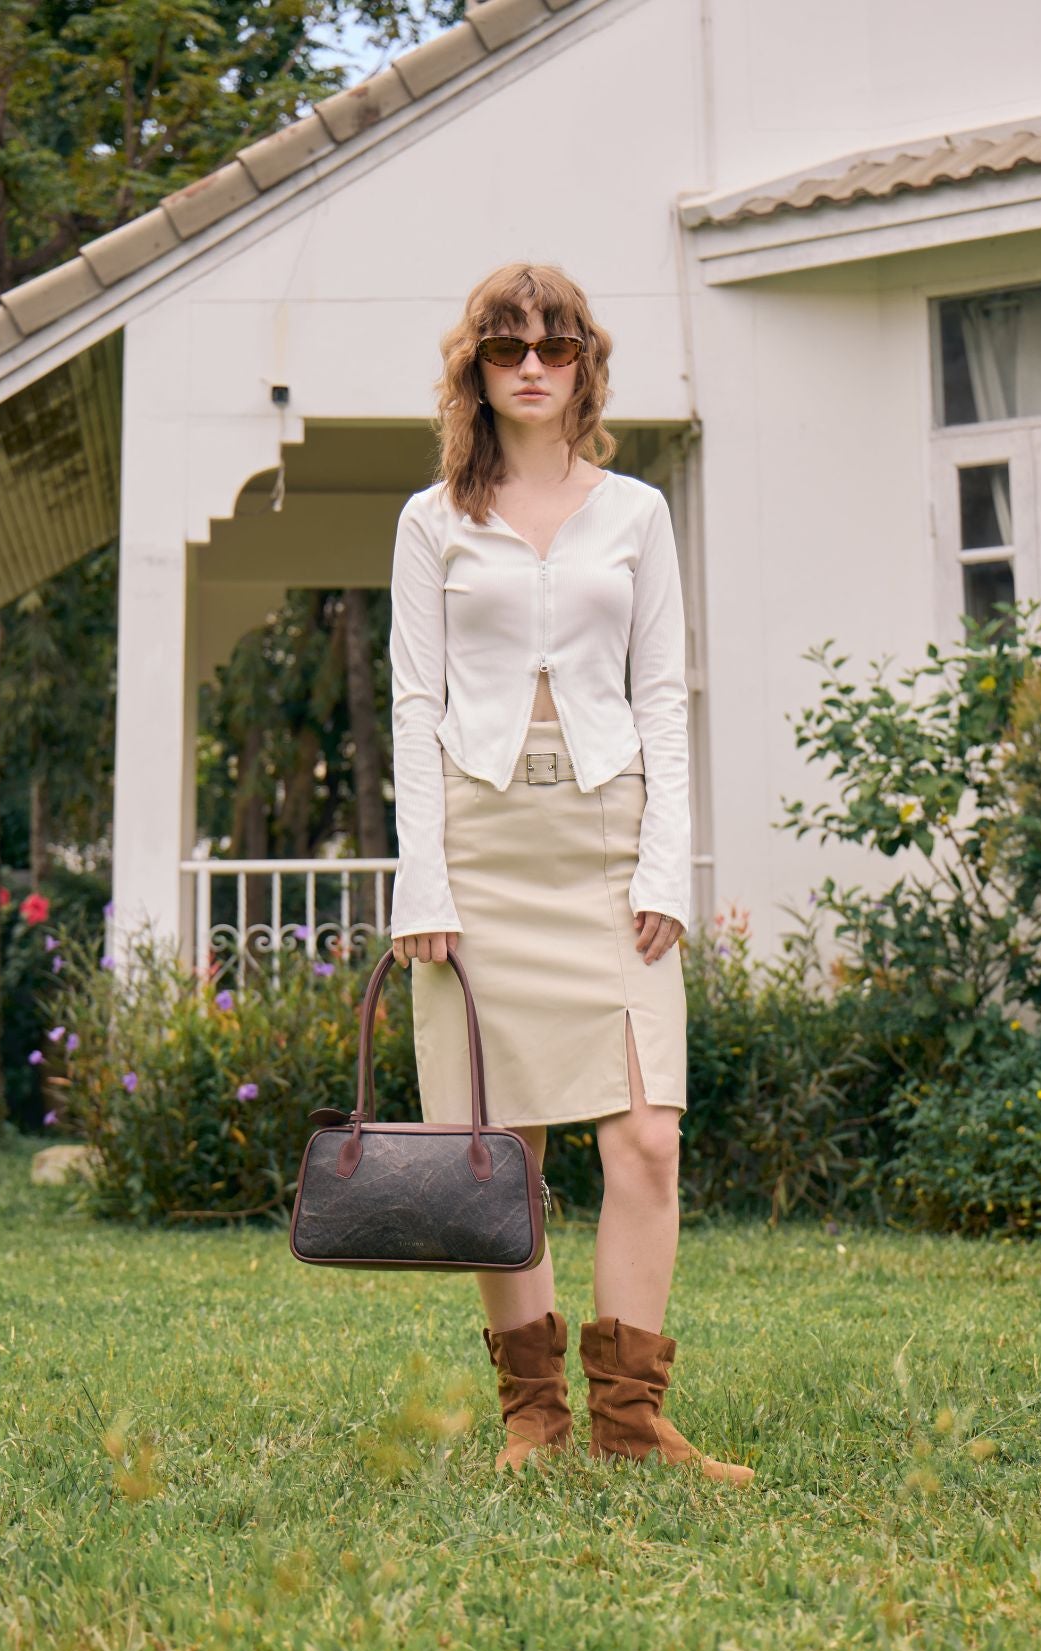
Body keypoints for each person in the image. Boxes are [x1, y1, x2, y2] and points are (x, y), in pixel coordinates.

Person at [387, 261, 754, 1489]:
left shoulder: (636, 513)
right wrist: (421, 879)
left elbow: (662, 696)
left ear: (584, 364)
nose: (531, 365)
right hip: (480, 852)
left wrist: (664, 867)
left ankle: (632, 1414)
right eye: (507, 347)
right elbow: (413, 705)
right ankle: (535, 1414)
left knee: (647, 1135)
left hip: (607, 841)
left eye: (553, 345)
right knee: (503, 1149)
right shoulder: (431, 521)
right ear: (476, 370)